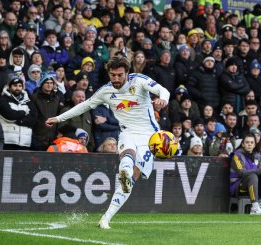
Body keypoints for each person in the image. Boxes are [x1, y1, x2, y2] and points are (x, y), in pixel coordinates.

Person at [45, 56, 170, 229]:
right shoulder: (105, 91)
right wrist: (59, 118)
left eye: (120, 75)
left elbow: (164, 90)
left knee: (131, 180)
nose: (116, 79)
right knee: (127, 156)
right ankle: (124, 172)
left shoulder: (139, 81)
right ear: (109, 74)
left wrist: (163, 99)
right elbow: (84, 105)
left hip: (150, 137)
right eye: (113, 75)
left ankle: (106, 217)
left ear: (127, 73)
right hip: (127, 131)